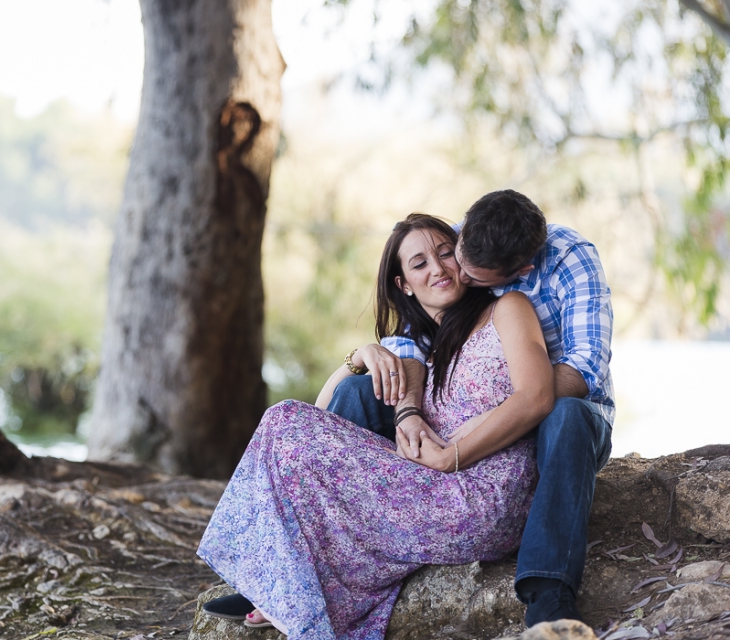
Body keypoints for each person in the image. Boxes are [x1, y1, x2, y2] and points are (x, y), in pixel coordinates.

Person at [198, 213, 555, 639]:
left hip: (483, 491)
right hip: (432, 480)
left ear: (464, 259)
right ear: (403, 283)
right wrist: (359, 356)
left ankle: (276, 588)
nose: (438, 268)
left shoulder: (507, 308)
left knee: (285, 420)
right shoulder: (423, 347)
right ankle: (274, 581)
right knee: (285, 421)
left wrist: (451, 455)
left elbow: (537, 396)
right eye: (419, 263)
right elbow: (322, 412)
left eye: (445, 253)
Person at [325, 190, 614, 626]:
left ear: (520, 271)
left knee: (565, 415)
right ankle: (315, 555)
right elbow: (410, 342)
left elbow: (584, 367)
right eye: (452, 257)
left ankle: (549, 593)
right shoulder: (459, 244)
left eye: (473, 276)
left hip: (559, 404)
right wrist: (407, 411)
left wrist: (508, 406)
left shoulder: (570, 263)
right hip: (461, 407)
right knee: (360, 393)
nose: (452, 272)